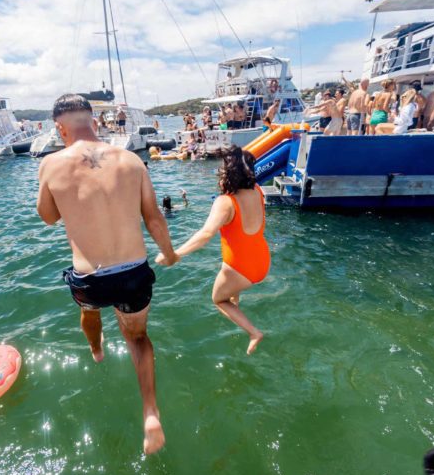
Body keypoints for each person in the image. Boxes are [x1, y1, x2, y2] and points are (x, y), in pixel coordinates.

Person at [37, 94, 177, 455]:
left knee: (89, 309)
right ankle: (150, 412)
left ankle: (96, 351)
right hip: (133, 274)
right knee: (138, 339)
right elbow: (153, 217)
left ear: (60, 128)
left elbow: (48, 216)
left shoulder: (52, 164)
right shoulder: (132, 160)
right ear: (95, 122)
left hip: (91, 280)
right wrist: (169, 252)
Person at [158, 146, 269, 354]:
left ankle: (254, 332)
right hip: (262, 261)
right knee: (232, 292)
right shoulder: (258, 191)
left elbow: (206, 234)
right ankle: (236, 300)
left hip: (241, 268)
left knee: (218, 299)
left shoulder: (225, 202)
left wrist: (174, 255)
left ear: (228, 173)